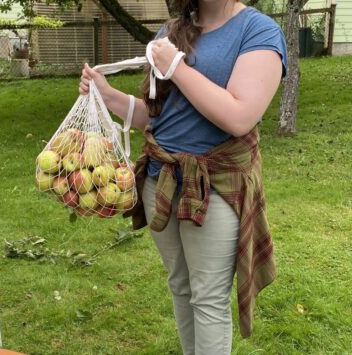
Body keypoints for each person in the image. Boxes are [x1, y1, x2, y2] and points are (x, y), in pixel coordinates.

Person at [79, 0, 287, 353]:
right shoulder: (173, 30)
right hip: (159, 182)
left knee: (207, 298)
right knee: (180, 285)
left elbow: (240, 116)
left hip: (214, 187)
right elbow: (160, 117)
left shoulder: (259, 31)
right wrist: (110, 95)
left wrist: (176, 66)